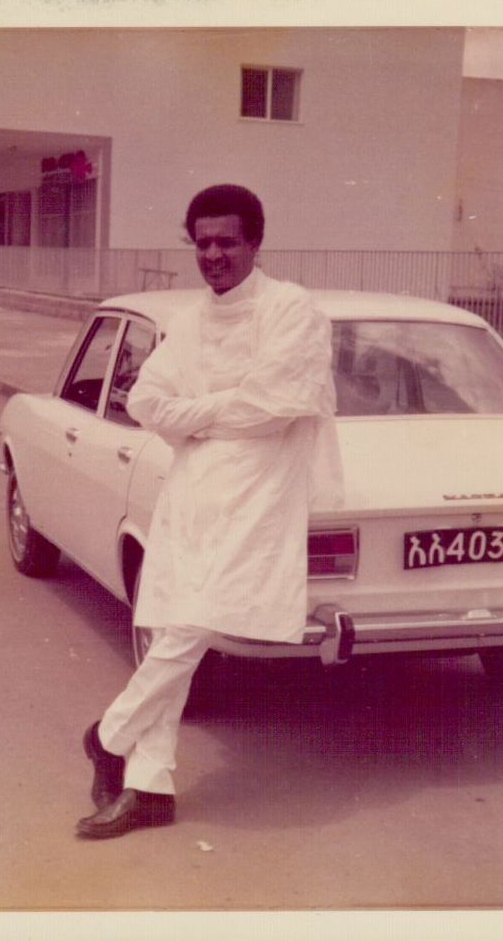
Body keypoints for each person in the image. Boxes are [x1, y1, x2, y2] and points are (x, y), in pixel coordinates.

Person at [77, 184, 343, 840]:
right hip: (195, 487)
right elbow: (147, 402)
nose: (214, 254)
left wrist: (199, 417)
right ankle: (150, 786)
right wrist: (223, 411)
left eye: (227, 241)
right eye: (203, 242)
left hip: (258, 494)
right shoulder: (191, 320)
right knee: (173, 623)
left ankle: (109, 736)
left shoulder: (292, 310)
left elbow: (281, 401)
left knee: (193, 623)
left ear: (255, 241)